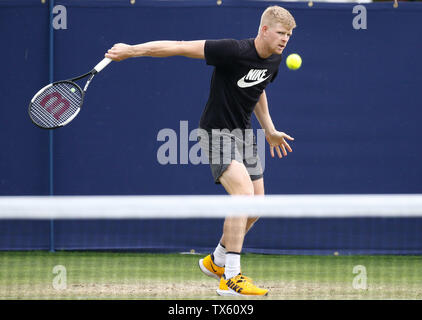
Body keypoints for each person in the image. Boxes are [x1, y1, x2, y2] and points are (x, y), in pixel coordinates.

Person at [105, 5, 296, 296]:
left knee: (256, 206)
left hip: (244, 134)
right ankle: (231, 277)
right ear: (265, 30)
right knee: (242, 196)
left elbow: (258, 87)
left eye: (289, 35)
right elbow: (179, 47)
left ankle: (218, 259)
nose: (285, 39)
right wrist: (132, 50)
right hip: (216, 132)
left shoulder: (275, 59)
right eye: (281, 33)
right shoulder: (232, 50)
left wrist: (269, 128)